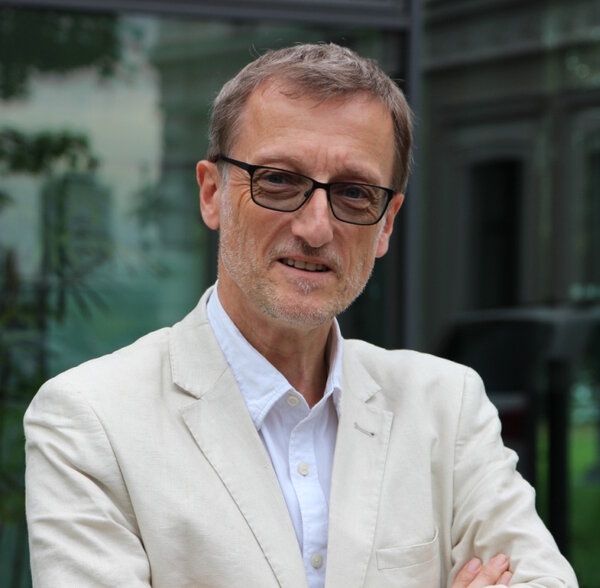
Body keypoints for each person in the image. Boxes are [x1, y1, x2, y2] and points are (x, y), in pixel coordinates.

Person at [24, 43, 577, 588]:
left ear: (387, 223)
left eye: (354, 193)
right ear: (212, 193)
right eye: (279, 180)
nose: (315, 229)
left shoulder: (446, 406)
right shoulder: (90, 421)